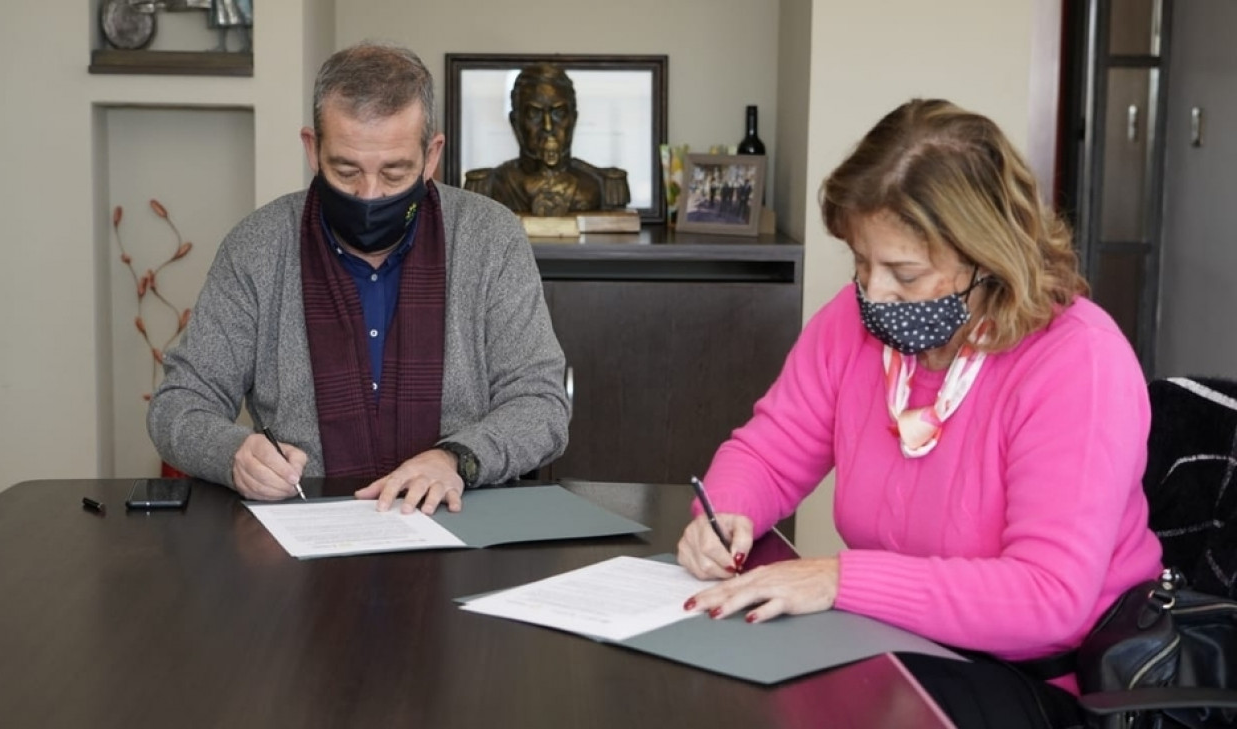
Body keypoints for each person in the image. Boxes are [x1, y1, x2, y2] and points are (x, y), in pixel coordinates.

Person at [676, 99, 1163, 728]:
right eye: (860, 262)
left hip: (1052, 681)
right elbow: (767, 451)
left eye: (904, 273)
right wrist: (724, 515)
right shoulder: (852, 325)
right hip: (902, 644)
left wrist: (837, 580)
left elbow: (1048, 600)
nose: (872, 292)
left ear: (986, 259)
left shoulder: (1078, 361)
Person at [148, 42, 570, 515]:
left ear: (431, 156)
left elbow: (541, 404)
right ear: (312, 148)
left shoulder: (490, 239)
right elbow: (180, 403)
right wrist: (233, 454)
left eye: (395, 172)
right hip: (303, 532)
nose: (369, 195)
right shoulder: (257, 247)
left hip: (461, 524)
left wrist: (456, 458)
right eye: (346, 170)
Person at [464, 63, 630, 217]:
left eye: (558, 114)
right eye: (534, 114)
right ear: (516, 122)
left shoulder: (604, 185)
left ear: (573, 119)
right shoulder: (488, 186)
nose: (548, 126)